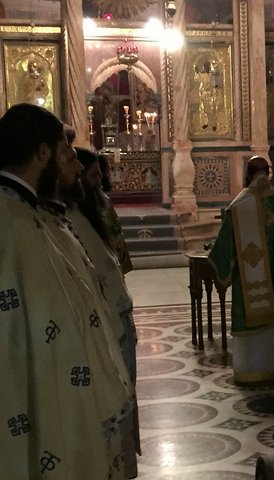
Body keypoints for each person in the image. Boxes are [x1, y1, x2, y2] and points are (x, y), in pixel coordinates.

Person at [0, 104, 132, 479]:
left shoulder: (32, 214)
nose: (72, 162)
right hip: (39, 398)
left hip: (59, 392)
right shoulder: (13, 222)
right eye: (65, 151)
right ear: (43, 153)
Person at [67, 147, 141, 477]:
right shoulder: (70, 220)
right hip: (102, 327)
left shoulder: (92, 211)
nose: (100, 181)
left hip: (117, 317)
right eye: (93, 175)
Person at [208, 156, 274, 384]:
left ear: (248, 173)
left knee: (251, 312)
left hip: (249, 285)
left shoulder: (239, 204)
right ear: (268, 173)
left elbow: (223, 246)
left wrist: (220, 263)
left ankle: (250, 370)